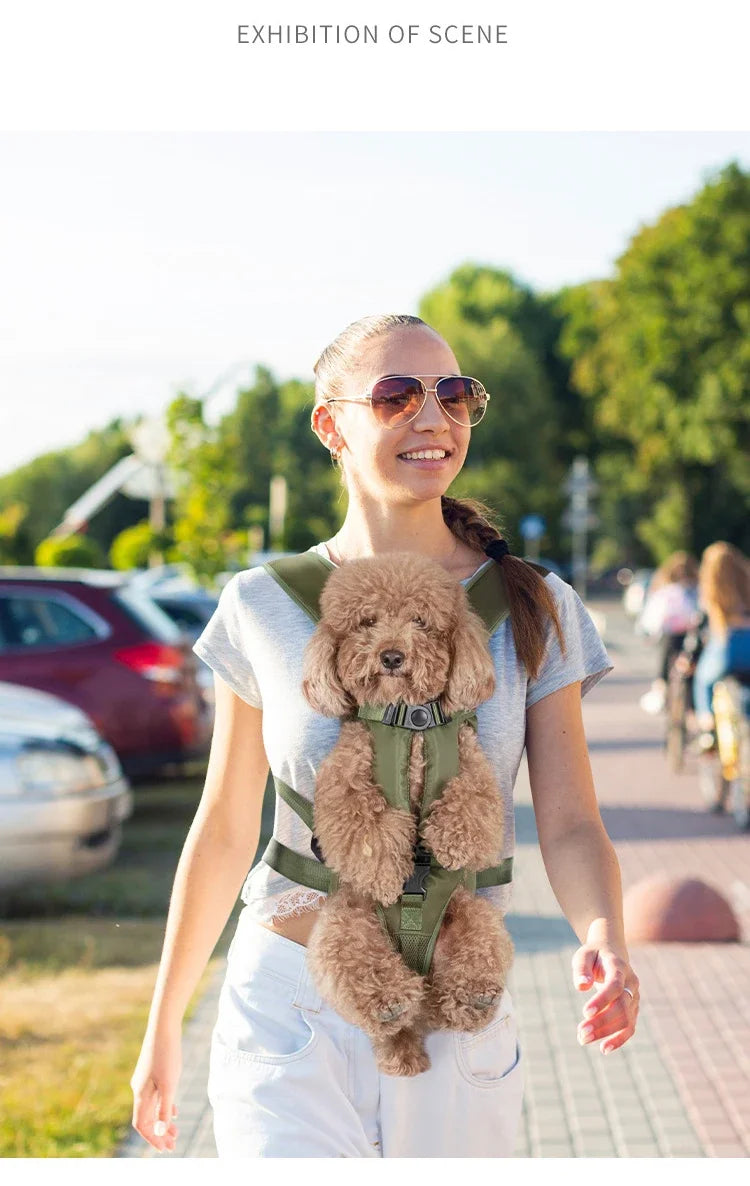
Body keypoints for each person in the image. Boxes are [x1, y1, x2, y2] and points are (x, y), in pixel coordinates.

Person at [129, 312, 639, 1158]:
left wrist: (606, 940)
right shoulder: (261, 605)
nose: (433, 418)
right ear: (331, 422)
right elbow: (223, 828)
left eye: (455, 396)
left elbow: (574, 823)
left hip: (454, 1013)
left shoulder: (536, 607)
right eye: (397, 395)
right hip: (287, 1005)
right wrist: (164, 1025)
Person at [684, 542, 750, 749]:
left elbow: (700, 624)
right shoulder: (746, 584)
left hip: (726, 647)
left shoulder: (712, 589)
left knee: (703, 680)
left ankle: (708, 729)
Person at [637, 552, 700, 714]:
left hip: (672, 636)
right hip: (689, 634)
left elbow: (652, 617)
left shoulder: (664, 589)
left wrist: (649, 633)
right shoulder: (695, 589)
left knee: (667, 649)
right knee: (692, 664)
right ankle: (692, 709)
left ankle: (661, 684)